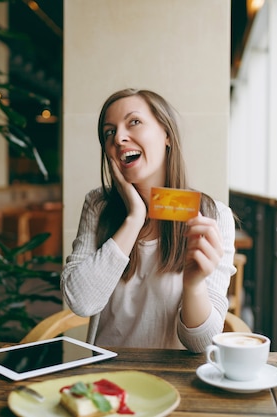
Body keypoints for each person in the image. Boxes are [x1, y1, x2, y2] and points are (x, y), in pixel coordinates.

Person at [61, 88, 236, 353]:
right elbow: (81, 302)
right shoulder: (98, 206)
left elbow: (201, 343)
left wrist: (193, 284)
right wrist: (135, 216)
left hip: (177, 383)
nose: (119, 137)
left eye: (134, 122)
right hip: (109, 379)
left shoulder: (213, 215)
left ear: (166, 134)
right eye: (109, 132)